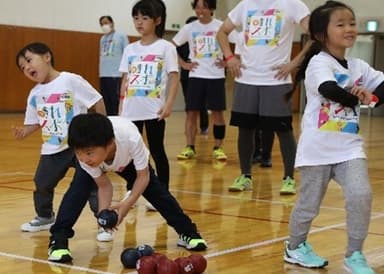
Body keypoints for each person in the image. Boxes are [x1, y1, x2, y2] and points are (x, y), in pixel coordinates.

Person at [283, 1, 384, 273]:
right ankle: (295, 246)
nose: (349, 28)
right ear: (320, 34)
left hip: (349, 149)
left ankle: (354, 255)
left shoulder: (359, 65)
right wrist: (358, 96)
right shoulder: (319, 62)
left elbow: (382, 86)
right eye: (340, 24)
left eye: (351, 23)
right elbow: (328, 89)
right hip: (317, 150)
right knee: (308, 206)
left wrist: (372, 96)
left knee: (361, 195)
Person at [47, 113, 208, 263]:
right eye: (79, 153)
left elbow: (143, 177)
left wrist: (126, 205)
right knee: (77, 191)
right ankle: (58, 241)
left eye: (89, 153)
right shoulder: (84, 158)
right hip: (104, 162)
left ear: (109, 144)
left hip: (128, 160)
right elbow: (104, 185)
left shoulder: (130, 138)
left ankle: (188, 232)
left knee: (158, 192)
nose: (83, 158)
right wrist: (103, 215)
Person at [216, 0, 310, 193]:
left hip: (276, 80)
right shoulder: (244, 5)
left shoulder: (293, 5)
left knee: (283, 130)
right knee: (245, 129)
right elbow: (221, 32)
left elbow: (316, 36)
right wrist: (230, 57)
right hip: (246, 78)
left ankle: (289, 178)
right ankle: (245, 175)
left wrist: (294, 64)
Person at [14, 42, 106, 233]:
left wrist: (101, 131)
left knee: (91, 184)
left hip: (79, 145)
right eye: (23, 67)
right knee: (42, 182)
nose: (27, 68)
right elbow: (36, 121)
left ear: (47, 57)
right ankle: (45, 216)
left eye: (30, 60)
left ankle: (103, 221)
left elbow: (96, 100)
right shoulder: (35, 94)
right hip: (52, 148)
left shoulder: (70, 80)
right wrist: (24, 131)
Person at [118, 0, 177, 201]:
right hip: (130, 110)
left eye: (144, 18)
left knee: (157, 150)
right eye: (136, 18)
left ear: (157, 20)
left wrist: (168, 104)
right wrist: (121, 108)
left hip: (154, 110)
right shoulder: (130, 49)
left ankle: (163, 192)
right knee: (131, 152)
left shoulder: (166, 47)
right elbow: (125, 79)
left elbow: (174, 77)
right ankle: (131, 189)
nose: (139, 22)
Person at [173, 0, 236, 161]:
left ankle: (218, 147)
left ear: (212, 8)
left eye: (204, 7)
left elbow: (240, 41)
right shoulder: (189, 28)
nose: (200, 10)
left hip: (216, 76)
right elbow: (171, 46)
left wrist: (229, 60)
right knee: (191, 113)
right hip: (196, 76)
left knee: (217, 114)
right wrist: (184, 64)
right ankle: (189, 146)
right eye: (197, 7)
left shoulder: (221, 26)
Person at [177, 15, 209, 136]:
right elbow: (175, 52)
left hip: (202, 74)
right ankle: (191, 125)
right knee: (189, 103)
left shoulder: (203, 39)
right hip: (187, 76)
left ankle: (204, 126)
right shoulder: (182, 42)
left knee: (202, 103)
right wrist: (184, 64)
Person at [99, 15, 129, 115]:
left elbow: (127, 54)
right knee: (106, 100)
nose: (104, 25)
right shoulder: (102, 38)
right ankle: (109, 121)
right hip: (103, 74)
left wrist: (126, 73)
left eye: (106, 22)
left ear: (112, 23)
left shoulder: (121, 36)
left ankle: (118, 121)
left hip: (116, 74)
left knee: (115, 100)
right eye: (102, 24)